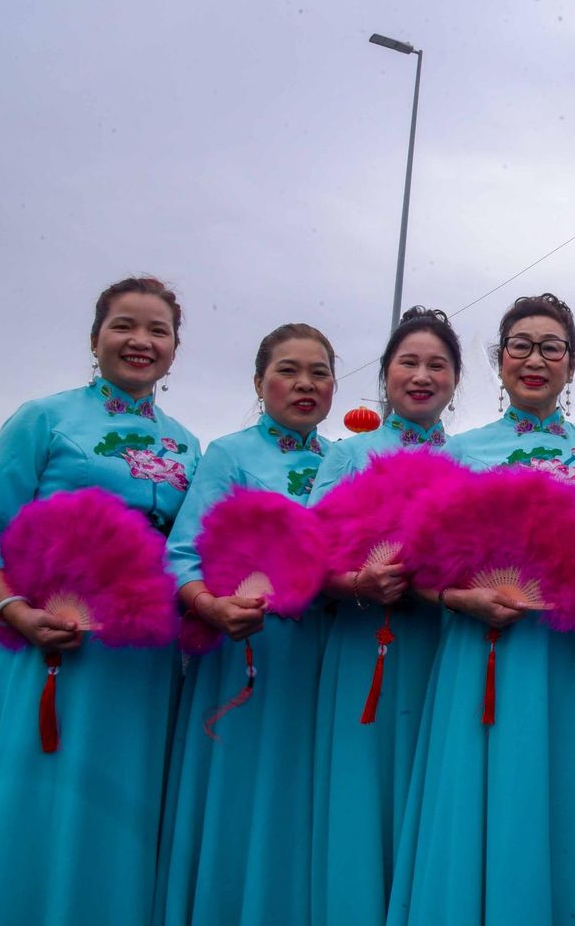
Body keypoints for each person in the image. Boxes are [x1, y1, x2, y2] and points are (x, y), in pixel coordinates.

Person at [0, 277, 199, 924]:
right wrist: (15, 610)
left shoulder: (186, 444)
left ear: (176, 349)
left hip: (138, 665)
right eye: (124, 325)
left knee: (121, 812)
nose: (140, 341)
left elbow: (187, 548)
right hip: (41, 643)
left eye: (158, 330)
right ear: (95, 337)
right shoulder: (44, 417)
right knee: (31, 807)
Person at [386, 294, 575, 926]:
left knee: (566, 800)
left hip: (569, 654)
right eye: (520, 345)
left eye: (552, 347)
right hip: (480, 649)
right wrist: (463, 598)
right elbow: (415, 568)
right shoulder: (456, 455)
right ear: (499, 361)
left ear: (572, 363)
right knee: (481, 801)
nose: (535, 359)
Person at [155, 323, 335, 925]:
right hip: (244, 645)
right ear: (260, 383)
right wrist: (211, 607)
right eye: (288, 370)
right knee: (239, 796)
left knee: (302, 798)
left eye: (318, 372)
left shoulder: (344, 460)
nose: (304, 384)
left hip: (317, 654)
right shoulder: (229, 454)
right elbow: (182, 553)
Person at [309, 307, 461, 925]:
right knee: (360, 800)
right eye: (409, 363)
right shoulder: (349, 457)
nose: (422, 376)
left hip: (443, 649)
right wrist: (357, 582)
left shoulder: (470, 461)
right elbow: (306, 558)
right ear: (385, 376)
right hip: (361, 645)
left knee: (437, 802)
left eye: (437, 365)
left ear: (454, 381)